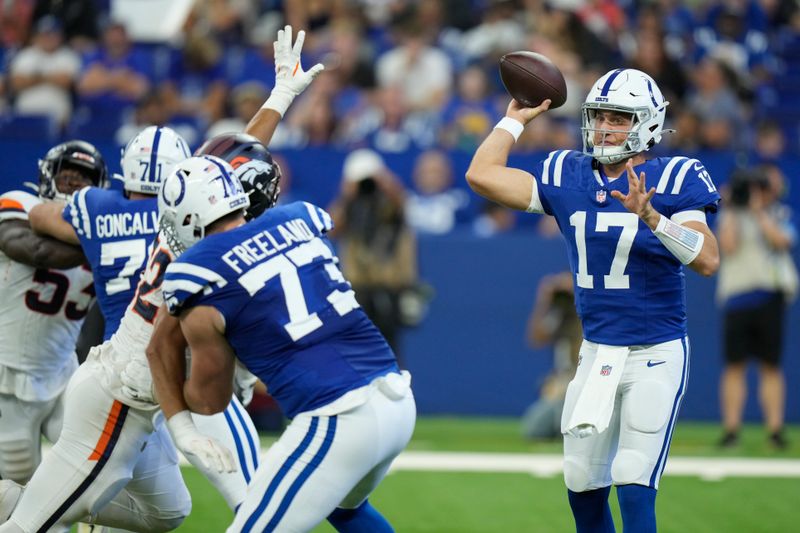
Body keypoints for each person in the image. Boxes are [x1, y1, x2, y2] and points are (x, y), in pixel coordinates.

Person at [0, 25, 323, 532]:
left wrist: (280, 96)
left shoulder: (179, 214)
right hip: (118, 394)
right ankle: (27, 504)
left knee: (168, 511)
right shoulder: (212, 244)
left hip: (141, 389)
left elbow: (232, 159)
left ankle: (29, 498)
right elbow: (161, 349)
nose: (246, 204)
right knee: (30, 527)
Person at [465, 68, 721, 532]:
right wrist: (513, 121)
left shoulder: (676, 175)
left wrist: (651, 216)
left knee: (632, 475)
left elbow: (706, 259)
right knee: (582, 482)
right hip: (597, 351)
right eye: (599, 115)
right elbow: (481, 175)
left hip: (655, 351)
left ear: (646, 122)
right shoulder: (570, 173)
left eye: (618, 118)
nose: (603, 127)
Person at [150, 155, 415, 533]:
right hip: (396, 400)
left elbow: (210, 401)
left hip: (339, 416)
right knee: (346, 511)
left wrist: (193, 374)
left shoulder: (197, 274)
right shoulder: (297, 218)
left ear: (187, 217)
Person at [0, 140, 101, 487]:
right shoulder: (21, 204)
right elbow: (35, 249)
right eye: (68, 178)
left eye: (84, 182)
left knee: (95, 468)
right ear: (48, 178)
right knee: (16, 486)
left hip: (63, 372)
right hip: (6, 376)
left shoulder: (101, 232)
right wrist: (102, 240)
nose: (74, 188)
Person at [716, 166, 798, 449]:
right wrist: (732, 208)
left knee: (770, 366)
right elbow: (727, 246)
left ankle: (775, 431)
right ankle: (731, 431)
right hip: (737, 296)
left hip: (768, 297)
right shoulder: (730, 214)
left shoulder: (779, 213)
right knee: (734, 366)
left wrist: (758, 211)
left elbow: (782, 241)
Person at [327, 148, 419, 366]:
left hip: (390, 287)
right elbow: (330, 228)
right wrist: (347, 195)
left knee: (390, 350)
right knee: (358, 351)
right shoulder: (350, 206)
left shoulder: (390, 206)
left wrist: (386, 184)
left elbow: (403, 207)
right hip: (357, 287)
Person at [521, 272, 582, 440]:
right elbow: (536, 339)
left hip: (581, 383)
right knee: (535, 428)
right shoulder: (559, 314)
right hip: (562, 383)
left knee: (542, 426)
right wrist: (545, 300)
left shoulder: (588, 317)